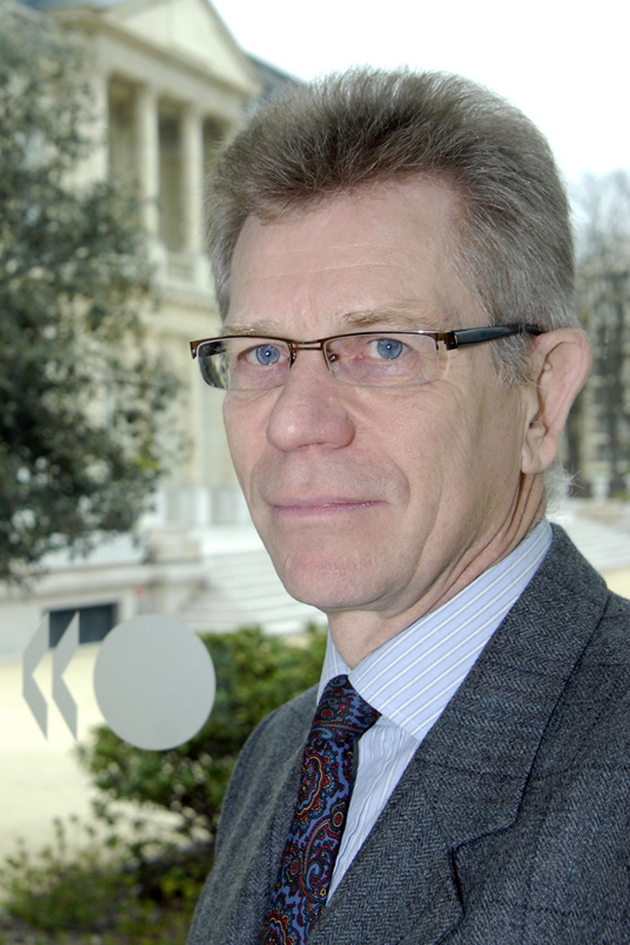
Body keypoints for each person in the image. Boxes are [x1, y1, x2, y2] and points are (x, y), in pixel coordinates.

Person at [187, 69, 630, 944]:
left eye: (384, 346)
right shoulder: (280, 754)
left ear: (540, 398)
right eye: (261, 353)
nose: (293, 423)